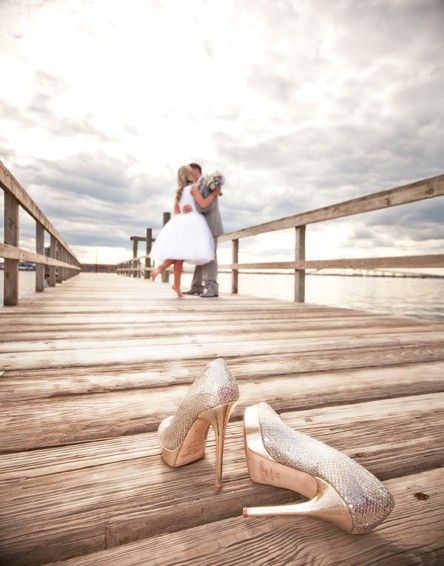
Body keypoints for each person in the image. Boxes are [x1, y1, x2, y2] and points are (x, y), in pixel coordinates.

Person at [149, 165, 221, 298]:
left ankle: (176, 286)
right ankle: (161, 268)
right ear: (190, 175)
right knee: (180, 256)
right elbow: (204, 204)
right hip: (194, 223)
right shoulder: (193, 188)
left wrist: (183, 213)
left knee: (179, 256)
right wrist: (214, 194)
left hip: (179, 222)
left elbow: (176, 211)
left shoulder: (178, 192)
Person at [183, 163, 224, 298]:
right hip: (201, 227)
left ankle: (212, 288)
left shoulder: (207, 182)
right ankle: (196, 287)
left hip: (210, 225)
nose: (187, 174)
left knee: (210, 257)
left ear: (196, 170)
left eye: (189, 171)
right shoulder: (195, 186)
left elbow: (207, 207)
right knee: (200, 255)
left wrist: (195, 208)